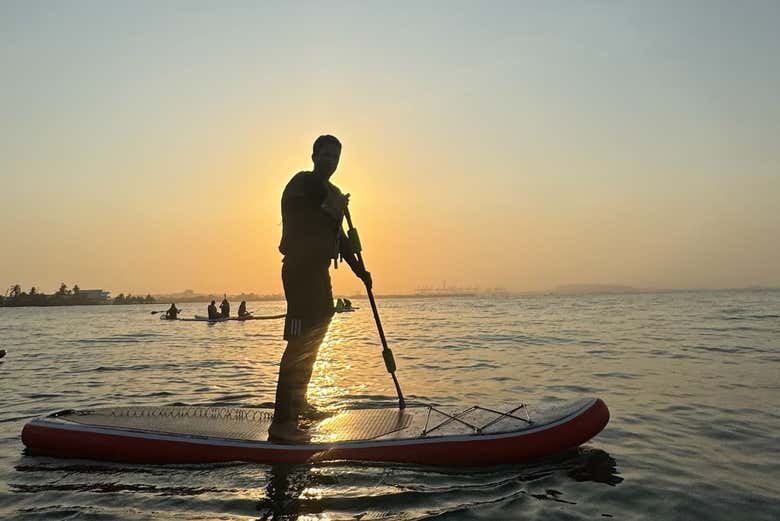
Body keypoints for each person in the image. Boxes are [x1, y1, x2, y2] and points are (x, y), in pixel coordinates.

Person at [268, 135, 372, 442]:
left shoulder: (333, 193)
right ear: (313, 156)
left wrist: (361, 271)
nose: (330, 161)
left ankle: (299, 402)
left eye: (335, 157)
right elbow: (311, 207)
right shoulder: (302, 184)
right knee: (299, 344)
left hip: (320, 273)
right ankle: (282, 422)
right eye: (325, 155)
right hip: (299, 271)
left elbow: (340, 239)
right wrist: (333, 205)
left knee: (315, 339)